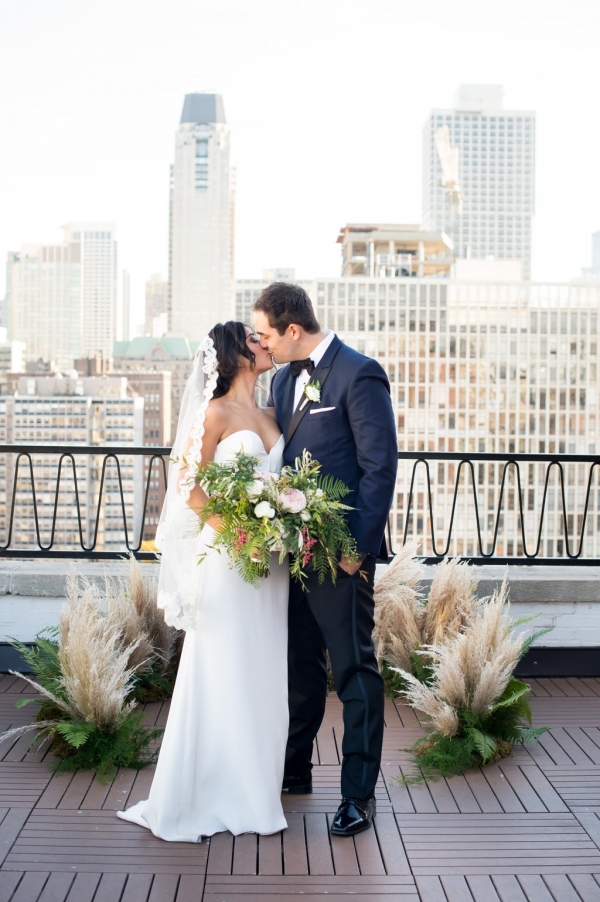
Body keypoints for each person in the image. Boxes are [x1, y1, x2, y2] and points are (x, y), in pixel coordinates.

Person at [117, 321, 289, 840]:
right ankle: (209, 790)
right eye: (256, 340)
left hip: (271, 567)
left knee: (263, 668)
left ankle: (256, 789)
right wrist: (242, 537)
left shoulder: (273, 411)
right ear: (237, 354)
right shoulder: (213, 413)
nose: (266, 344)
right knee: (224, 666)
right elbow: (190, 489)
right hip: (232, 560)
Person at [253, 283, 398, 838]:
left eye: (266, 333)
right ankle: (294, 771)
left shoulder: (359, 373)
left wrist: (356, 551)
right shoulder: (285, 378)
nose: (263, 344)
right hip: (292, 552)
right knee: (300, 668)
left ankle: (359, 797)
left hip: (341, 556)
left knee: (356, 672)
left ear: (293, 330)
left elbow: (379, 467)